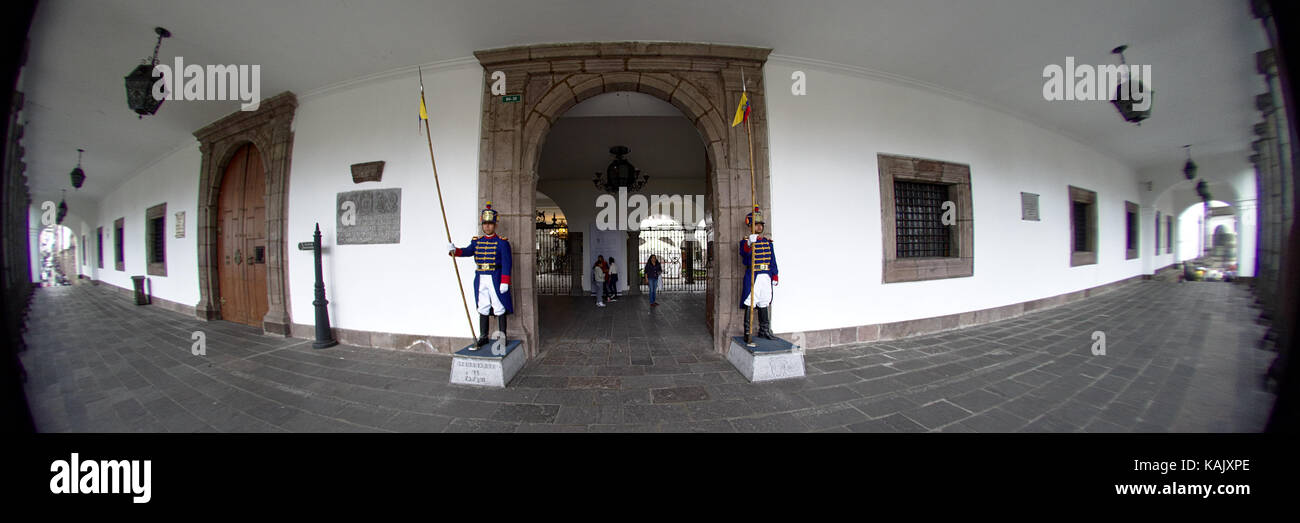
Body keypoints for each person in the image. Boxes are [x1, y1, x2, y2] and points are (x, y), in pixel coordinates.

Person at [447, 202, 512, 349]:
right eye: (485, 224)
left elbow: (507, 263)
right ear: (482, 225)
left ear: (495, 225)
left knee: (499, 305)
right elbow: (467, 251)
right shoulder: (477, 242)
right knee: (482, 306)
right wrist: (454, 250)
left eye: (490, 224)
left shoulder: (502, 243)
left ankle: (502, 337)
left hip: (495, 276)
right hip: (481, 277)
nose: (487, 226)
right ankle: (483, 336)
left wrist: (505, 281)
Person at [739, 206, 777, 344]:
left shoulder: (767, 242)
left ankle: (764, 330)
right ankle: (747, 333)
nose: (759, 227)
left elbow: (772, 259)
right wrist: (749, 243)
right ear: (751, 226)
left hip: (766, 275)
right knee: (750, 302)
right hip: (753, 275)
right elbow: (744, 256)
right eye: (756, 224)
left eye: (761, 225)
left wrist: (775, 275)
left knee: (764, 301)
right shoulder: (745, 241)